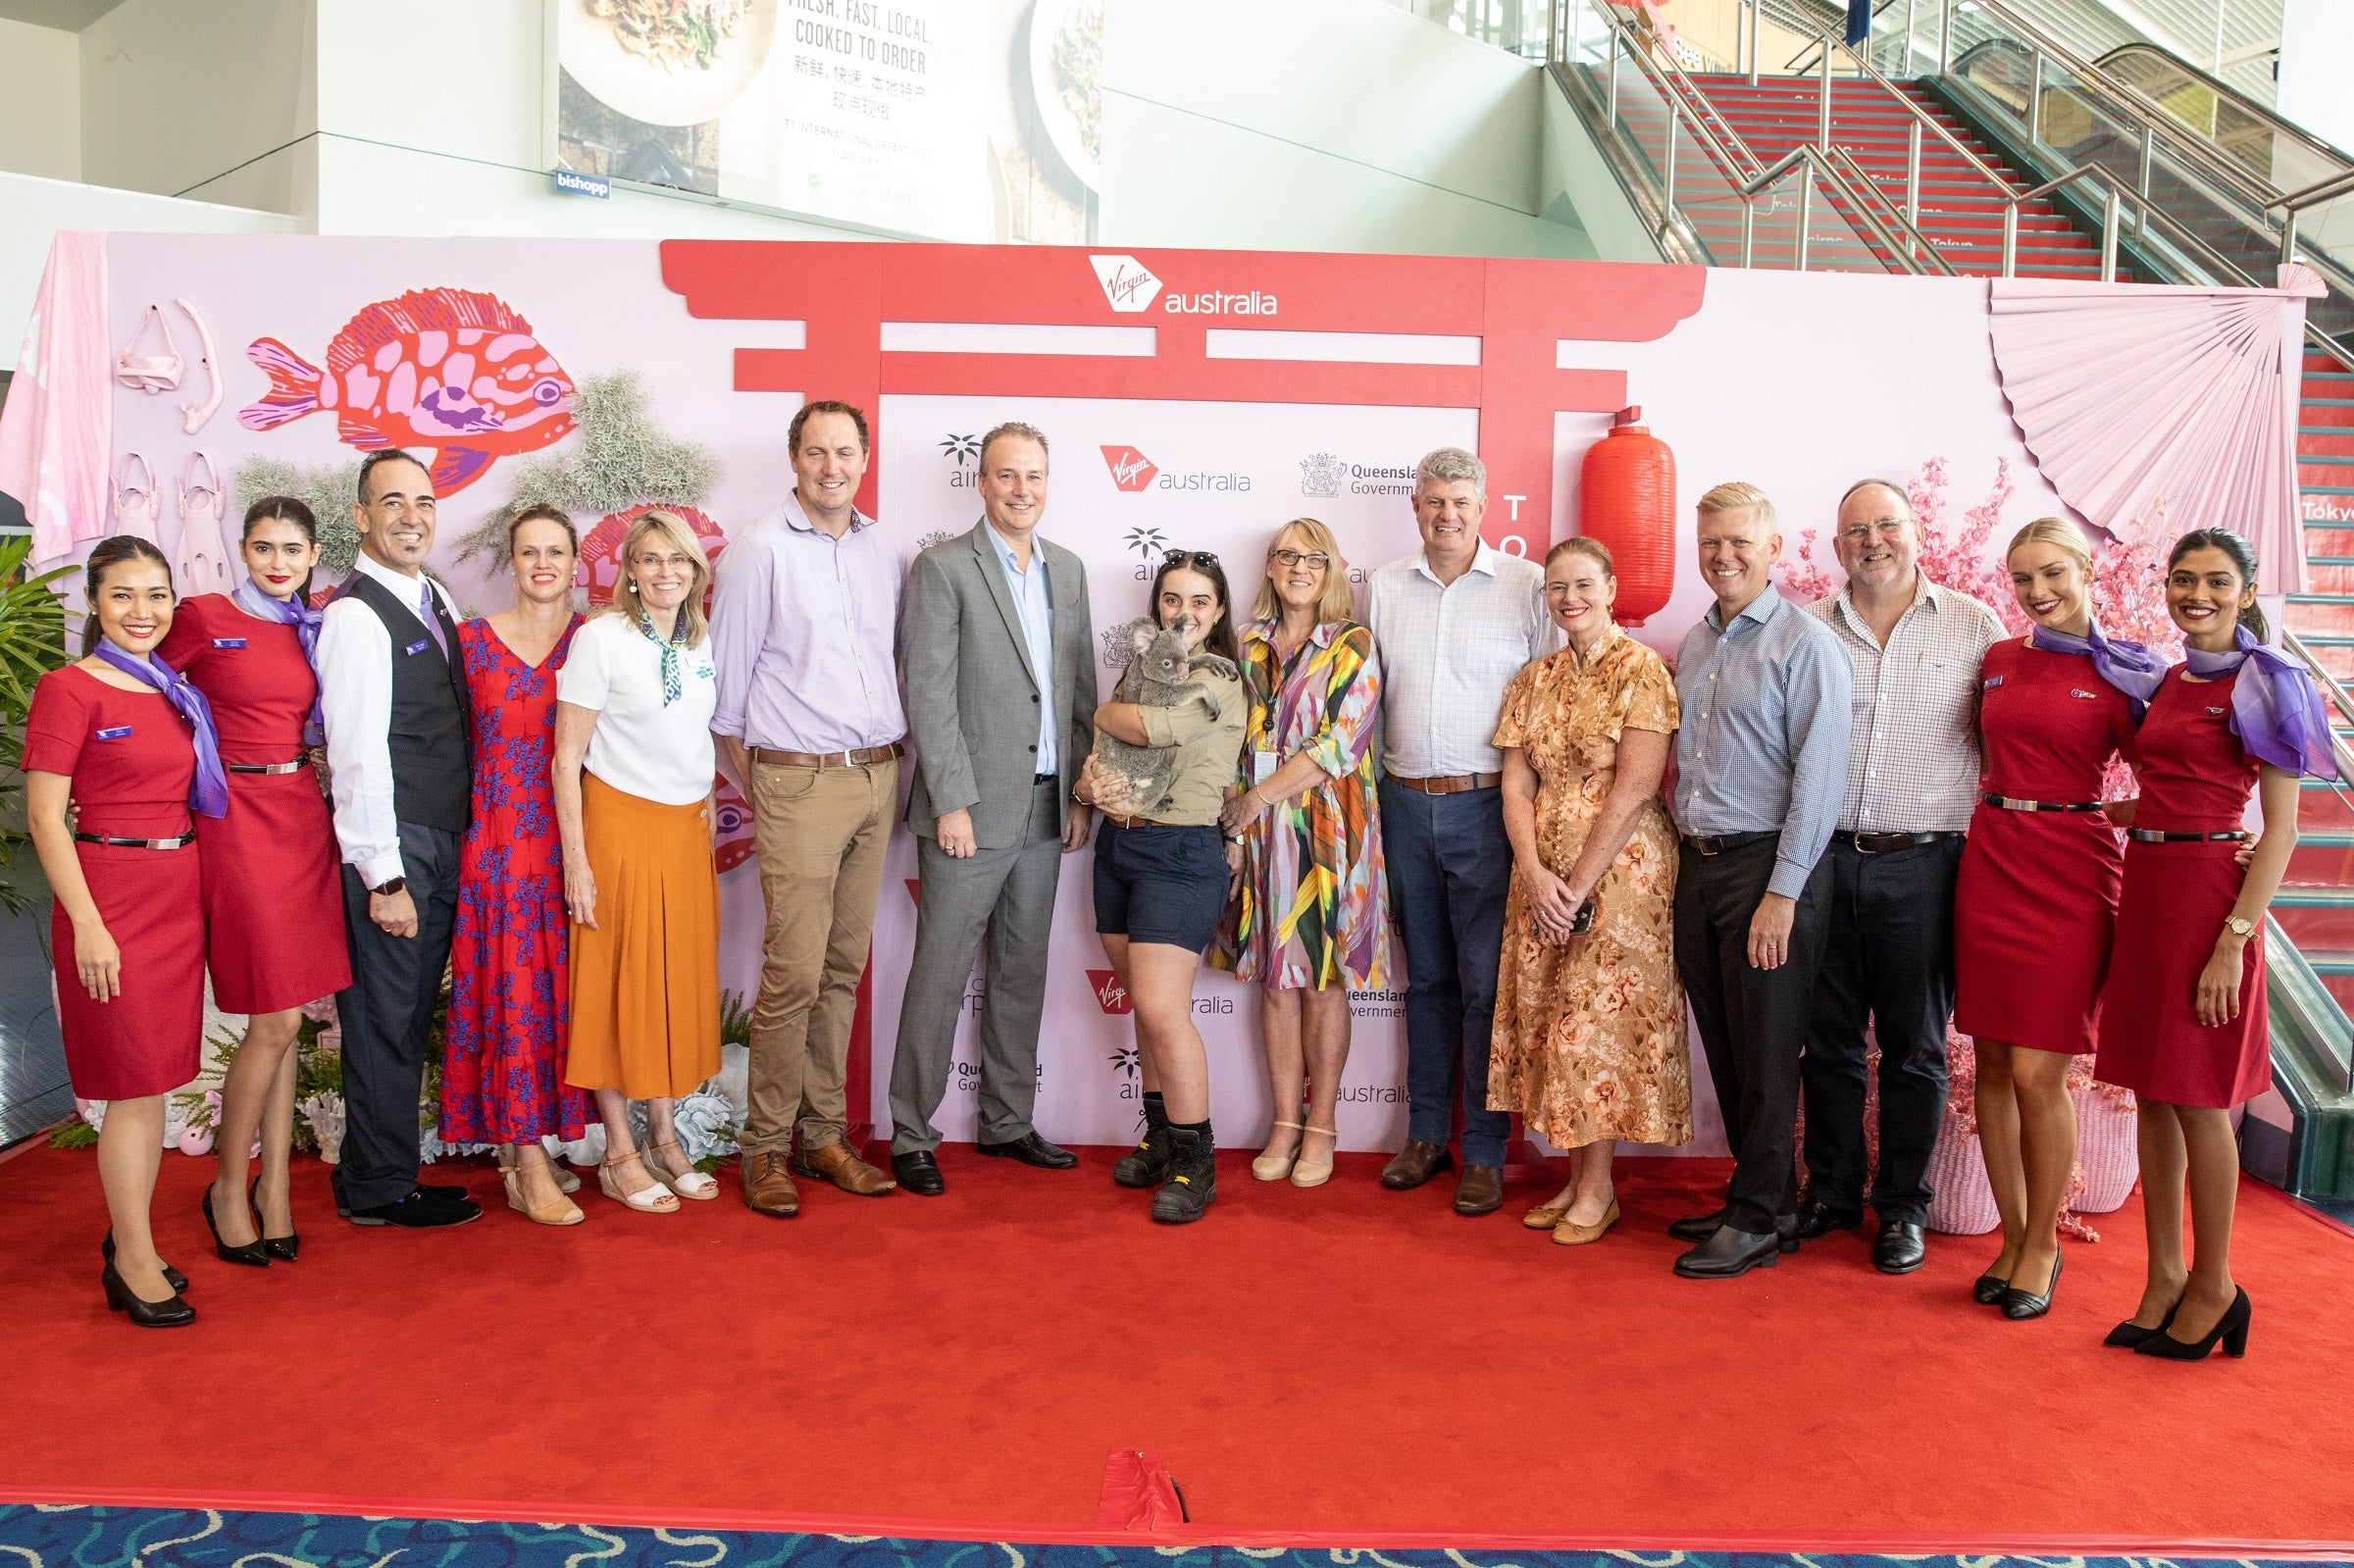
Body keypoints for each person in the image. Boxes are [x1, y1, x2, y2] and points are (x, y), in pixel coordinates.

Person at [2095, 528, 2328, 1358]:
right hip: (2149, 888)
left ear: (2247, 587)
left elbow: (2284, 829)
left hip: (2208, 906)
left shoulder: (2271, 683)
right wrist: (2108, 814)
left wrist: (2234, 939)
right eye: (2183, 579)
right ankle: (2162, 1276)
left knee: (2198, 1101)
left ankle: (2217, 1281)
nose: (2196, 594)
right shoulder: (2168, 680)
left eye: (2216, 581)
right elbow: (2172, 787)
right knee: (2152, 1095)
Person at [1796, 481, 2006, 1275]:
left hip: (1928, 862)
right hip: (1824, 856)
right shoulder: (1809, 626)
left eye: (1887, 524)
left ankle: (1904, 1208)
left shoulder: (1974, 627)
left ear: (1917, 533)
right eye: (1857, 529)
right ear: (1837, 543)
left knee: (1917, 1046)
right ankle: (1833, 1192)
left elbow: (2007, 739)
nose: (1872, 540)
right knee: (1830, 1043)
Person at [1954, 517, 2157, 1320]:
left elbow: (2167, 775)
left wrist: (2108, 814)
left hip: (2072, 872)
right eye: (2023, 579)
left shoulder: (2126, 675)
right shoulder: (2000, 659)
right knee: (1994, 1065)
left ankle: (2044, 1241)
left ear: (2086, 572)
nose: (2038, 593)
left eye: (2052, 575)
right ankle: (2009, 1237)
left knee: (2042, 1072)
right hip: (1993, 857)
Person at [890, 422, 1096, 1196]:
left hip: (1048, 808)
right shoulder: (944, 569)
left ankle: (1008, 1122)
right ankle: (912, 1133)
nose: (1022, 490)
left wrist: (1080, 793)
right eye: (1007, 476)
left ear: (1048, 482)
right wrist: (952, 800)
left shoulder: (1068, 571)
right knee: (940, 974)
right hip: (967, 815)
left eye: (1034, 476)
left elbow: (1078, 693)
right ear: (981, 483)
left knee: (1021, 971)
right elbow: (930, 697)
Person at [709, 399, 904, 1216]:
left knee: (843, 966)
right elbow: (724, 703)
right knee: (792, 972)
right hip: (795, 779)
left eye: (846, 452)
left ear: (864, 459)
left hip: (877, 777)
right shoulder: (757, 551)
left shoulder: (882, 547)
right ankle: (764, 1149)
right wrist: (768, 790)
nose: (833, 466)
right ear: (794, 459)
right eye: (817, 452)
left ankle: (823, 1134)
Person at [25, 536, 222, 1325]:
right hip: (110, 897)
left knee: (159, 1082)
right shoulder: (69, 690)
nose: (143, 612)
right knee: (134, 1088)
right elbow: (45, 816)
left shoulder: (173, 688)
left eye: (156, 595)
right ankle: (132, 1256)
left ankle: (131, 1239)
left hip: (176, 891)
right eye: (123, 596)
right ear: (95, 605)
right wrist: (88, 925)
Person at [1361, 447, 1558, 1215]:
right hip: (1403, 802)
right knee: (1429, 982)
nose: (1446, 514)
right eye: (1433, 501)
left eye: (1460, 503)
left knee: (1484, 986)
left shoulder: (1529, 586)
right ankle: (1422, 1138)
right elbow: (1364, 701)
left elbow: (1547, 701)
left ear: (1484, 510)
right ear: (1415, 507)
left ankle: (1483, 1148)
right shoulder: (1381, 587)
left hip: (1488, 807)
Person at [158, 497, 351, 1266]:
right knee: (272, 1019)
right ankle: (228, 1188)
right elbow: (141, 689)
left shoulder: (317, 627)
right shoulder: (203, 615)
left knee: (291, 1015)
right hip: (234, 815)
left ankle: (275, 1191)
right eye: (264, 546)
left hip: (302, 811)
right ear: (243, 548)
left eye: (293, 549)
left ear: (312, 557)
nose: (278, 561)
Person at [1667, 481, 1853, 1279]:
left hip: (1770, 869)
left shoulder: (1807, 645)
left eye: (1741, 541)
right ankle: (1764, 1195)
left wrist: (1783, 893)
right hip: (1701, 864)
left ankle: (1758, 1220)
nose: (1724, 555)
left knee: (1772, 1050)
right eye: (1711, 543)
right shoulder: (1696, 641)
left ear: (1774, 548)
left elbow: (1821, 779)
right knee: (1730, 1045)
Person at [1490, 537, 1688, 1245]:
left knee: (1593, 1025)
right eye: (1556, 588)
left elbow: (1636, 787)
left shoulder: (1644, 670)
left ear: (1610, 588)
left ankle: (1599, 1190)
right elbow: (1515, 782)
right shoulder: (1533, 677)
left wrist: (1574, 885)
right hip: (1540, 874)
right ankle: (1577, 1179)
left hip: (1621, 876)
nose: (1569, 598)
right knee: (1551, 1019)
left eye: (1582, 584)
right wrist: (1536, 873)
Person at [316, 449, 483, 1229]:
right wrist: (384, 878)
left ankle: (379, 1171)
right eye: (393, 502)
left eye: (423, 501)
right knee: (384, 1012)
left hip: (439, 831)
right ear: (360, 516)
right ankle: (379, 1186)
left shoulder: (431, 594)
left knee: (409, 1011)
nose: (412, 516)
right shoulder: (355, 614)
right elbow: (355, 754)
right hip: (397, 841)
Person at [555, 509, 725, 1216]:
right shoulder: (599, 639)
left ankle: (666, 1136)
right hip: (618, 829)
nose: (666, 573)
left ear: (695, 570)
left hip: (683, 833)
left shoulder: (698, 639)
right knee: (616, 984)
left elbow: (694, 738)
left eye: (678, 560)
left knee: (670, 987)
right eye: (651, 560)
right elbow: (565, 758)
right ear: (629, 569)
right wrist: (577, 861)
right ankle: (620, 1151)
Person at [1208, 518, 1387, 1191]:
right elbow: (1225, 735)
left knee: (1322, 981)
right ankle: (1284, 1121)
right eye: (1287, 556)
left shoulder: (1351, 644)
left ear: (1332, 568)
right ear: (1271, 567)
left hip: (1328, 836)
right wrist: (1237, 809)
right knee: (1275, 982)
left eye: (1313, 557)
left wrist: (1256, 800)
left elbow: (1338, 746)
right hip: (1257, 835)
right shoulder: (1246, 645)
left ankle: (1323, 1125)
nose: (1299, 567)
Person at [1076, 553, 1249, 1222]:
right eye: (1173, 599)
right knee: (1144, 1010)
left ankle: (1195, 1162)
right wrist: (1089, 788)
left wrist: (1100, 708)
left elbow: (1146, 727)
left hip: (1179, 852)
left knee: (1161, 1007)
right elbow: (1107, 753)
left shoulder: (1221, 678)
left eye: (1200, 601)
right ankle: (1158, 1138)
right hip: (1118, 843)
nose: (1185, 611)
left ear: (1219, 611)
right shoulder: (1144, 664)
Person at [439, 504, 592, 1227]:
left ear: (574, 562)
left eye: (555, 551)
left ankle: (536, 1145)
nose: (541, 564)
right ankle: (524, 1159)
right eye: (528, 551)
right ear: (512, 560)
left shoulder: (593, 642)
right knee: (508, 1002)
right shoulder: (469, 644)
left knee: (560, 1003)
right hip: (498, 851)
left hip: (572, 847)